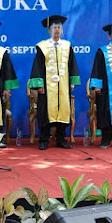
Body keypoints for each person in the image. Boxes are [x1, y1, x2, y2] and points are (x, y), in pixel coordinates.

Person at [29, 15, 80, 150]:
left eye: (59, 27)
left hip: (63, 86)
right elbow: (38, 66)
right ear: (49, 30)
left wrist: (72, 82)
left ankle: (61, 139)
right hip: (47, 87)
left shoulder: (67, 45)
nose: (57, 30)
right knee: (45, 112)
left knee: (63, 111)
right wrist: (39, 85)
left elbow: (72, 64)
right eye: (54, 28)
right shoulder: (42, 46)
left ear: (62, 30)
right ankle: (44, 139)